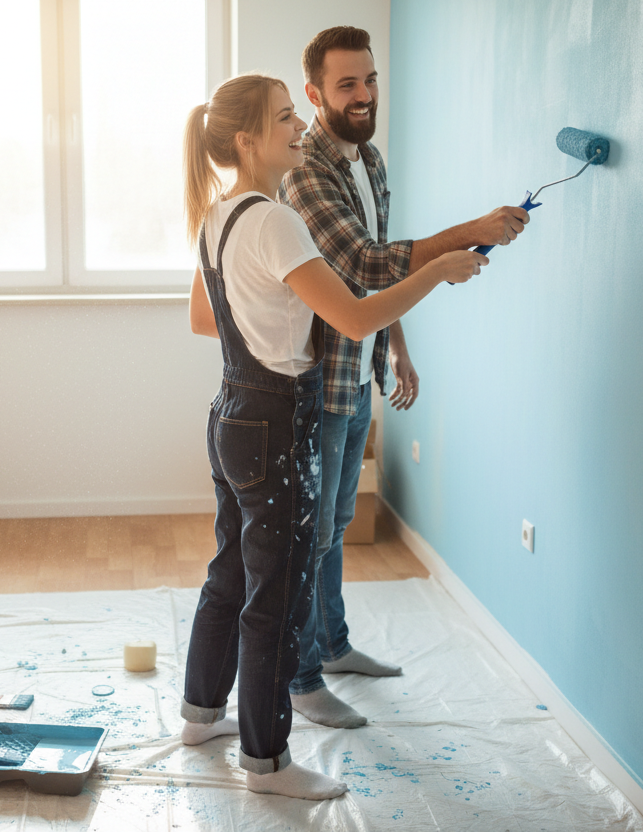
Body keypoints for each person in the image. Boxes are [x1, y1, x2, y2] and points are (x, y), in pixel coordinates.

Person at [179, 72, 488, 801]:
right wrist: (438, 270)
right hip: (279, 422)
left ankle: (200, 716)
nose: (299, 127)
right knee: (277, 594)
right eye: (286, 118)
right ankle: (267, 762)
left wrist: (279, 308)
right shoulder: (275, 218)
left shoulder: (217, 216)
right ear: (248, 139)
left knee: (231, 571)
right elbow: (355, 319)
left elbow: (205, 320)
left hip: (230, 412)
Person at [279, 26, 530, 730]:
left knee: (338, 521)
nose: (363, 96)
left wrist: (398, 346)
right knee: (314, 535)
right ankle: (300, 680)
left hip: (358, 375)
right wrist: (467, 232)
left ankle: (332, 646)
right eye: (345, 85)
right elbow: (363, 263)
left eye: (370, 80)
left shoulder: (371, 160)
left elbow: (382, 271)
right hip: (321, 381)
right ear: (315, 94)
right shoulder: (306, 175)